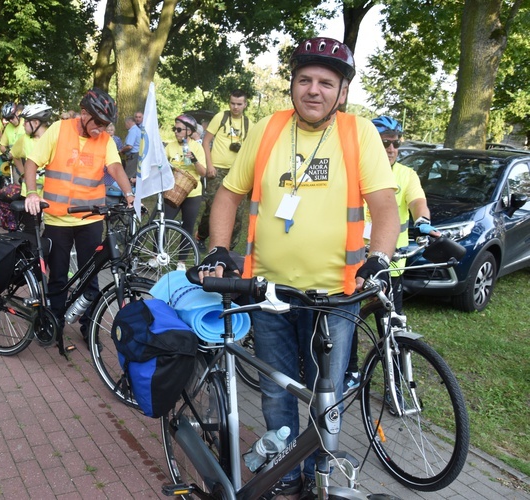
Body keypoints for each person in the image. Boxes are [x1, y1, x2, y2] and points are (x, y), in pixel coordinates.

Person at [198, 37, 400, 498]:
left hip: (337, 294)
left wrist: (380, 258)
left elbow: (385, 207)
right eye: (304, 79)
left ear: (341, 92)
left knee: (324, 394)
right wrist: (218, 249)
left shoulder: (359, 133)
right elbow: (229, 194)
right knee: (276, 389)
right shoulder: (268, 129)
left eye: (326, 82)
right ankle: (283, 473)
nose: (314, 90)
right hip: (270, 292)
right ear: (291, 85)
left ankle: (319, 473)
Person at [23, 88, 135, 349]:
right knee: (58, 277)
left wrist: (128, 193)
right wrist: (31, 193)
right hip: (57, 220)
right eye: (99, 123)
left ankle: (89, 328)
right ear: (84, 114)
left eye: (107, 125)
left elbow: (115, 167)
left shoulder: (105, 140)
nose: (102, 129)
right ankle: (55, 325)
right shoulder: (58, 130)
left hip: (91, 220)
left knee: (91, 278)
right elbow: (31, 162)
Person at [343, 115, 436, 393]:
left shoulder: (407, 175)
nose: (391, 149)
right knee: (348, 321)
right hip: (354, 262)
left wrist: (423, 221)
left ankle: (393, 384)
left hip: (390, 265)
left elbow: (418, 201)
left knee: (391, 325)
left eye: (396, 143)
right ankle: (350, 372)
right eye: (385, 143)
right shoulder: (355, 173)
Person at [196, 89, 253, 252]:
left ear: (245, 105)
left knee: (238, 212)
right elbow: (205, 142)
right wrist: (209, 165)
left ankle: (228, 249)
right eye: (233, 103)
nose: (235, 107)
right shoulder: (221, 117)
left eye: (239, 104)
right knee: (212, 206)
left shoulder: (249, 124)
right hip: (217, 169)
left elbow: (251, 148)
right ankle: (201, 236)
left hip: (237, 171)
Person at [161, 114, 206, 271]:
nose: (176, 132)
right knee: (163, 222)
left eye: (179, 129)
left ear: (189, 131)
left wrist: (194, 160)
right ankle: (156, 255)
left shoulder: (197, 146)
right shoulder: (170, 146)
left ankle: (181, 261)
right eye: (175, 128)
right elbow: (161, 165)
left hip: (192, 193)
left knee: (187, 226)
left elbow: (203, 172)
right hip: (173, 189)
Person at [12, 103, 53, 194]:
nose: (23, 125)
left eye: (26, 121)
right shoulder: (24, 139)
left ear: (36, 123)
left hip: (49, 194)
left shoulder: (53, 137)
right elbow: (14, 155)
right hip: (29, 194)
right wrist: (23, 173)